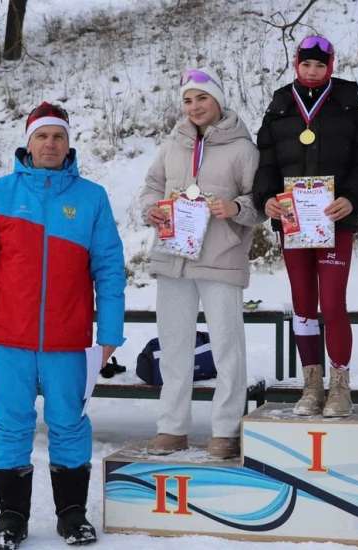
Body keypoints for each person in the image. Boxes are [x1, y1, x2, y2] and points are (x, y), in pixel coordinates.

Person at [0, 102, 126, 549]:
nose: (50, 144)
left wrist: (109, 332)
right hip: (8, 336)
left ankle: (72, 516)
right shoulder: (0, 193)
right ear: (27, 143)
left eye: (58, 137)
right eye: (42, 136)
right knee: (12, 423)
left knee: (69, 422)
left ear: (69, 144)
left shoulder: (92, 197)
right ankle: (11, 517)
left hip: (68, 339)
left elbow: (108, 267)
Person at [252, 35, 358, 417]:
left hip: (334, 222)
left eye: (319, 66)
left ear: (331, 66)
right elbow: (266, 165)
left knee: (334, 301)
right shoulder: (278, 109)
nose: (312, 72)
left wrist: (353, 199)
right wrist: (266, 200)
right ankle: (312, 385)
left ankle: (340, 384)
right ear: (296, 64)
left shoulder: (349, 108)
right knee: (303, 304)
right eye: (306, 65)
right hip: (293, 223)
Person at [140, 68, 263, 459]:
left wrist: (235, 207)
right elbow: (151, 187)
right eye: (188, 100)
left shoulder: (244, 148)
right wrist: (150, 210)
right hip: (173, 257)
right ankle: (172, 427)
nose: (194, 107)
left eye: (202, 98)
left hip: (220, 258)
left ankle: (225, 430)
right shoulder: (171, 144)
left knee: (227, 346)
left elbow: (259, 201)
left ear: (218, 101)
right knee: (175, 345)